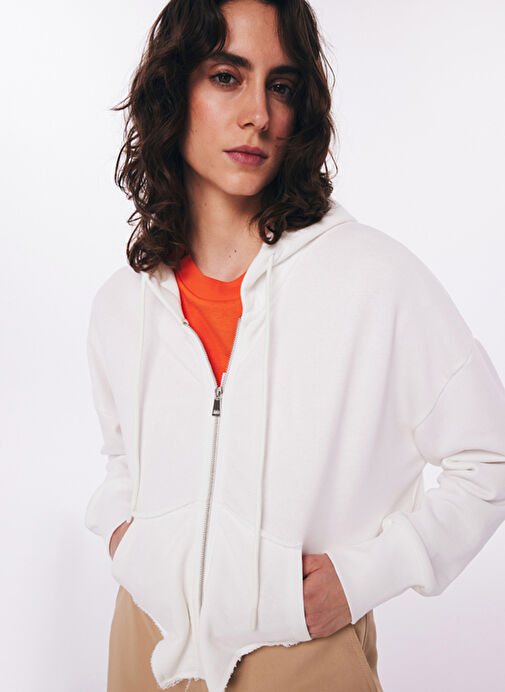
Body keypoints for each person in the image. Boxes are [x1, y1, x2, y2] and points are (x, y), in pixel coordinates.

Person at [84, 0, 505, 690]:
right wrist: (125, 536)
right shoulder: (122, 303)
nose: (258, 114)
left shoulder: (373, 280)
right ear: (172, 90)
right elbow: (122, 459)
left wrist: (367, 575)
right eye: (226, 77)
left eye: (280, 86)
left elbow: (489, 453)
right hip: (143, 641)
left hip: (300, 652)